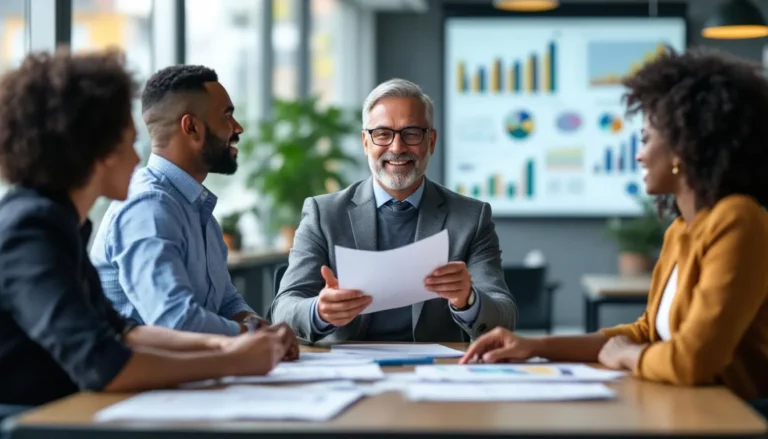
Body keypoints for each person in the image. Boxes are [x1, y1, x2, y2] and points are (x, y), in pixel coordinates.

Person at [461, 48, 768, 405]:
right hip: (686, 406)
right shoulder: (681, 231)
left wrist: (624, 356)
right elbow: (645, 332)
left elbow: (692, 360)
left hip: (737, 415)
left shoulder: (738, 220)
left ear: (684, 148)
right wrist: (535, 346)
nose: (638, 155)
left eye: (646, 139)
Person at [0, 50, 290, 406]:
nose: (139, 158)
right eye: (128, 142)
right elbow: (101, 363)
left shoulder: (62, 223)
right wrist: (234, 357)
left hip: (62, 413)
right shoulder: (32, 229)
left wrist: (234, 342)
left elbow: (125, 334)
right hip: (27, 421)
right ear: (97, 149)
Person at [270, 78, 517, 343]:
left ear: (431, 142)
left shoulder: (471, 218)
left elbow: (504, 315)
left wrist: (468, 299)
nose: (397, 148)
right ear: (366, 143)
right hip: (348, 370)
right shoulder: (324, 214)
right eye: (383, 134)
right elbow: (283, 310)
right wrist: (319, 311)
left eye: (411, 134)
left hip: (435, 372)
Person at [89, 65, 296, 354]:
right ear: (192, 127)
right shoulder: (148, 206)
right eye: (227, 115)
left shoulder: (197, 208)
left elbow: (227, 302)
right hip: (145, 391)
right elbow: (174, 321)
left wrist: (260, 327)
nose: (238, 128)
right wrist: (250, 334)